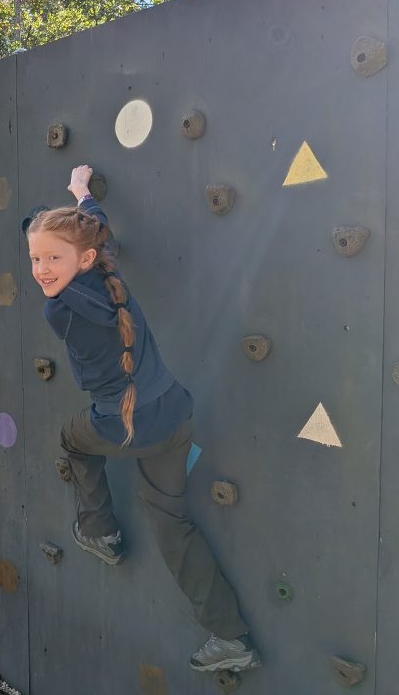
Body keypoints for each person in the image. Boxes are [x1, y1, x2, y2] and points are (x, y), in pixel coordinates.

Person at [24, 164, 261, 674]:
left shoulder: (60, 309)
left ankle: (99, 531)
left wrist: (81, 209)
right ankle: (230, 636)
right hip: (174, 412)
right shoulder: (108, 277)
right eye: (35, 258)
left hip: (123, 426)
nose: (42, 269)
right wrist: (82, 196)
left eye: (52, 258)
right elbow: (98, 232)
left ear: (83, 259)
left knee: (73, 439)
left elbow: (89, 245)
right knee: (170, 521)